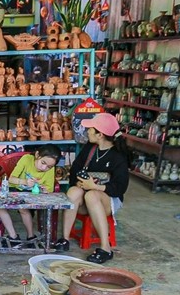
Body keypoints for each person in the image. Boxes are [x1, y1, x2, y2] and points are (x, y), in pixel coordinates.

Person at [53, 113, 129, 263]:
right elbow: (75, 169)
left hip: (108, 200)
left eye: (90, 129)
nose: (87, 131)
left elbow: (119, 188)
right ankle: (64, 239)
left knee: (91, 195)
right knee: (73, 192)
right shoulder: (90, 148)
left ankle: (105, 248)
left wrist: (95, 186)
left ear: (100, 134)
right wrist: (79, 183)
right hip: (86, 194)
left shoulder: (118, 156)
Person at [0, 144, 62, 248]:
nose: (44, 168)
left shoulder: (49, 168)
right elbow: (11, 179)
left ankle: (31, 237)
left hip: (34, 195)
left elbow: (49, 189)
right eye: (43, 163)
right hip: (15, 190)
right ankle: (13, 236)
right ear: (37, 155)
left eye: (49, 167)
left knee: (23, 209)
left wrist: (43, 190)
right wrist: (25, 181)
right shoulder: (26, 159)